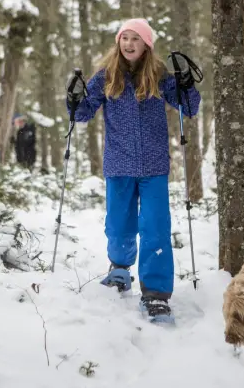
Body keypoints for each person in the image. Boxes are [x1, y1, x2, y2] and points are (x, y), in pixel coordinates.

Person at [65, 18, 200, 323]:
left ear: (146, 45)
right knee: (119, 223)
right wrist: (73, 98)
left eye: (135, 39)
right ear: (118, 42)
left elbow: (189, 108)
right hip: (118, 164)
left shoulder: (159, 76)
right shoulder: (106, 76)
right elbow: (83, 112)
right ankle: (120, 268)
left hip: (153, 166)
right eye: (124, 38)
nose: (128, 43)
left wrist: (187, 85)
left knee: (155, 227)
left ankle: (155, 294)